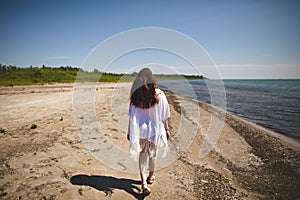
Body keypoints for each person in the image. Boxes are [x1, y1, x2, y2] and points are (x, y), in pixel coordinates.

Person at [127, 68, 170, 195]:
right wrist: (167, 129)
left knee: (142, 155)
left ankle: (144, 183)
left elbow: (132, 115)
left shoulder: (135, 95)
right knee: (153, 154)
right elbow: (164, 114)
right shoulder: (159, 94)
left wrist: (129, 131)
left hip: (140, 130)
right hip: (154, 130)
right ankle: (151, 177)